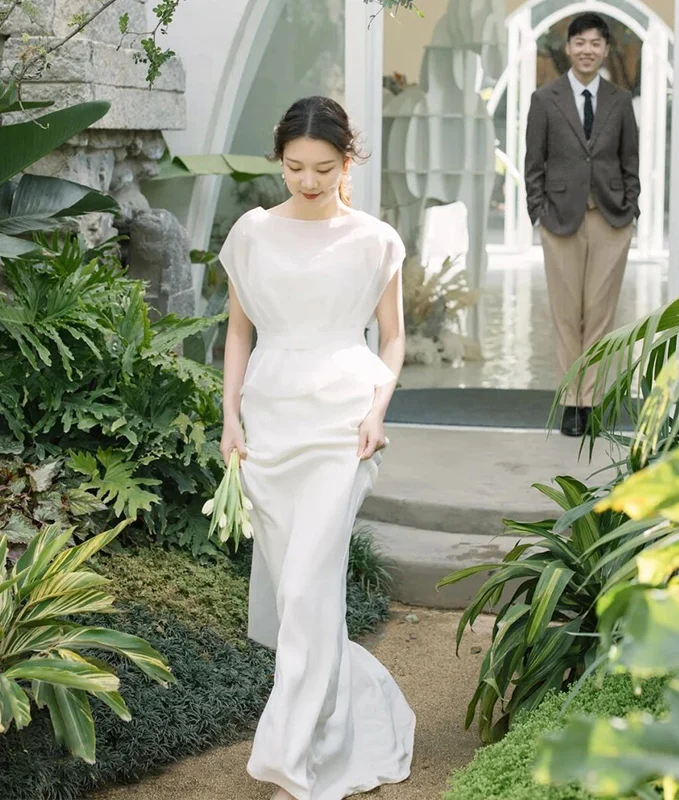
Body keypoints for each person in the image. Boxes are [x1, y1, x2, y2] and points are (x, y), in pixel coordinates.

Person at [218, 95, 415, 800]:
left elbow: (392, 338)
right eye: (295, 167)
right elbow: (239, 334)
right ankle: (349, 704)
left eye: (323, 168)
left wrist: (377, 409)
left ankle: (293, 762)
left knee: (305, 586)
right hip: (269, 424)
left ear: (347, 161)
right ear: (280, 160)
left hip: (344, 424)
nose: (308, 180)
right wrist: (229, 418)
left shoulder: (373, 239)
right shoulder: (250, 234)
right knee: (302, 596)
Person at [525, 12, 640, 437]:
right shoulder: (545, 99)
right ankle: (569, 399)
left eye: (596, 43)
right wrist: (537, 209)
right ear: (569, 48)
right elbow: (532, 162)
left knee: (599, 314)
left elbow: (631, 160)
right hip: (560, 218)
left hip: (611, 219)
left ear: (605, 49)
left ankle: (588, 400)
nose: (587, 50)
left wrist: (632, 208)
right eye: (580, 42)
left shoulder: (620, 100)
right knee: (565, 313)